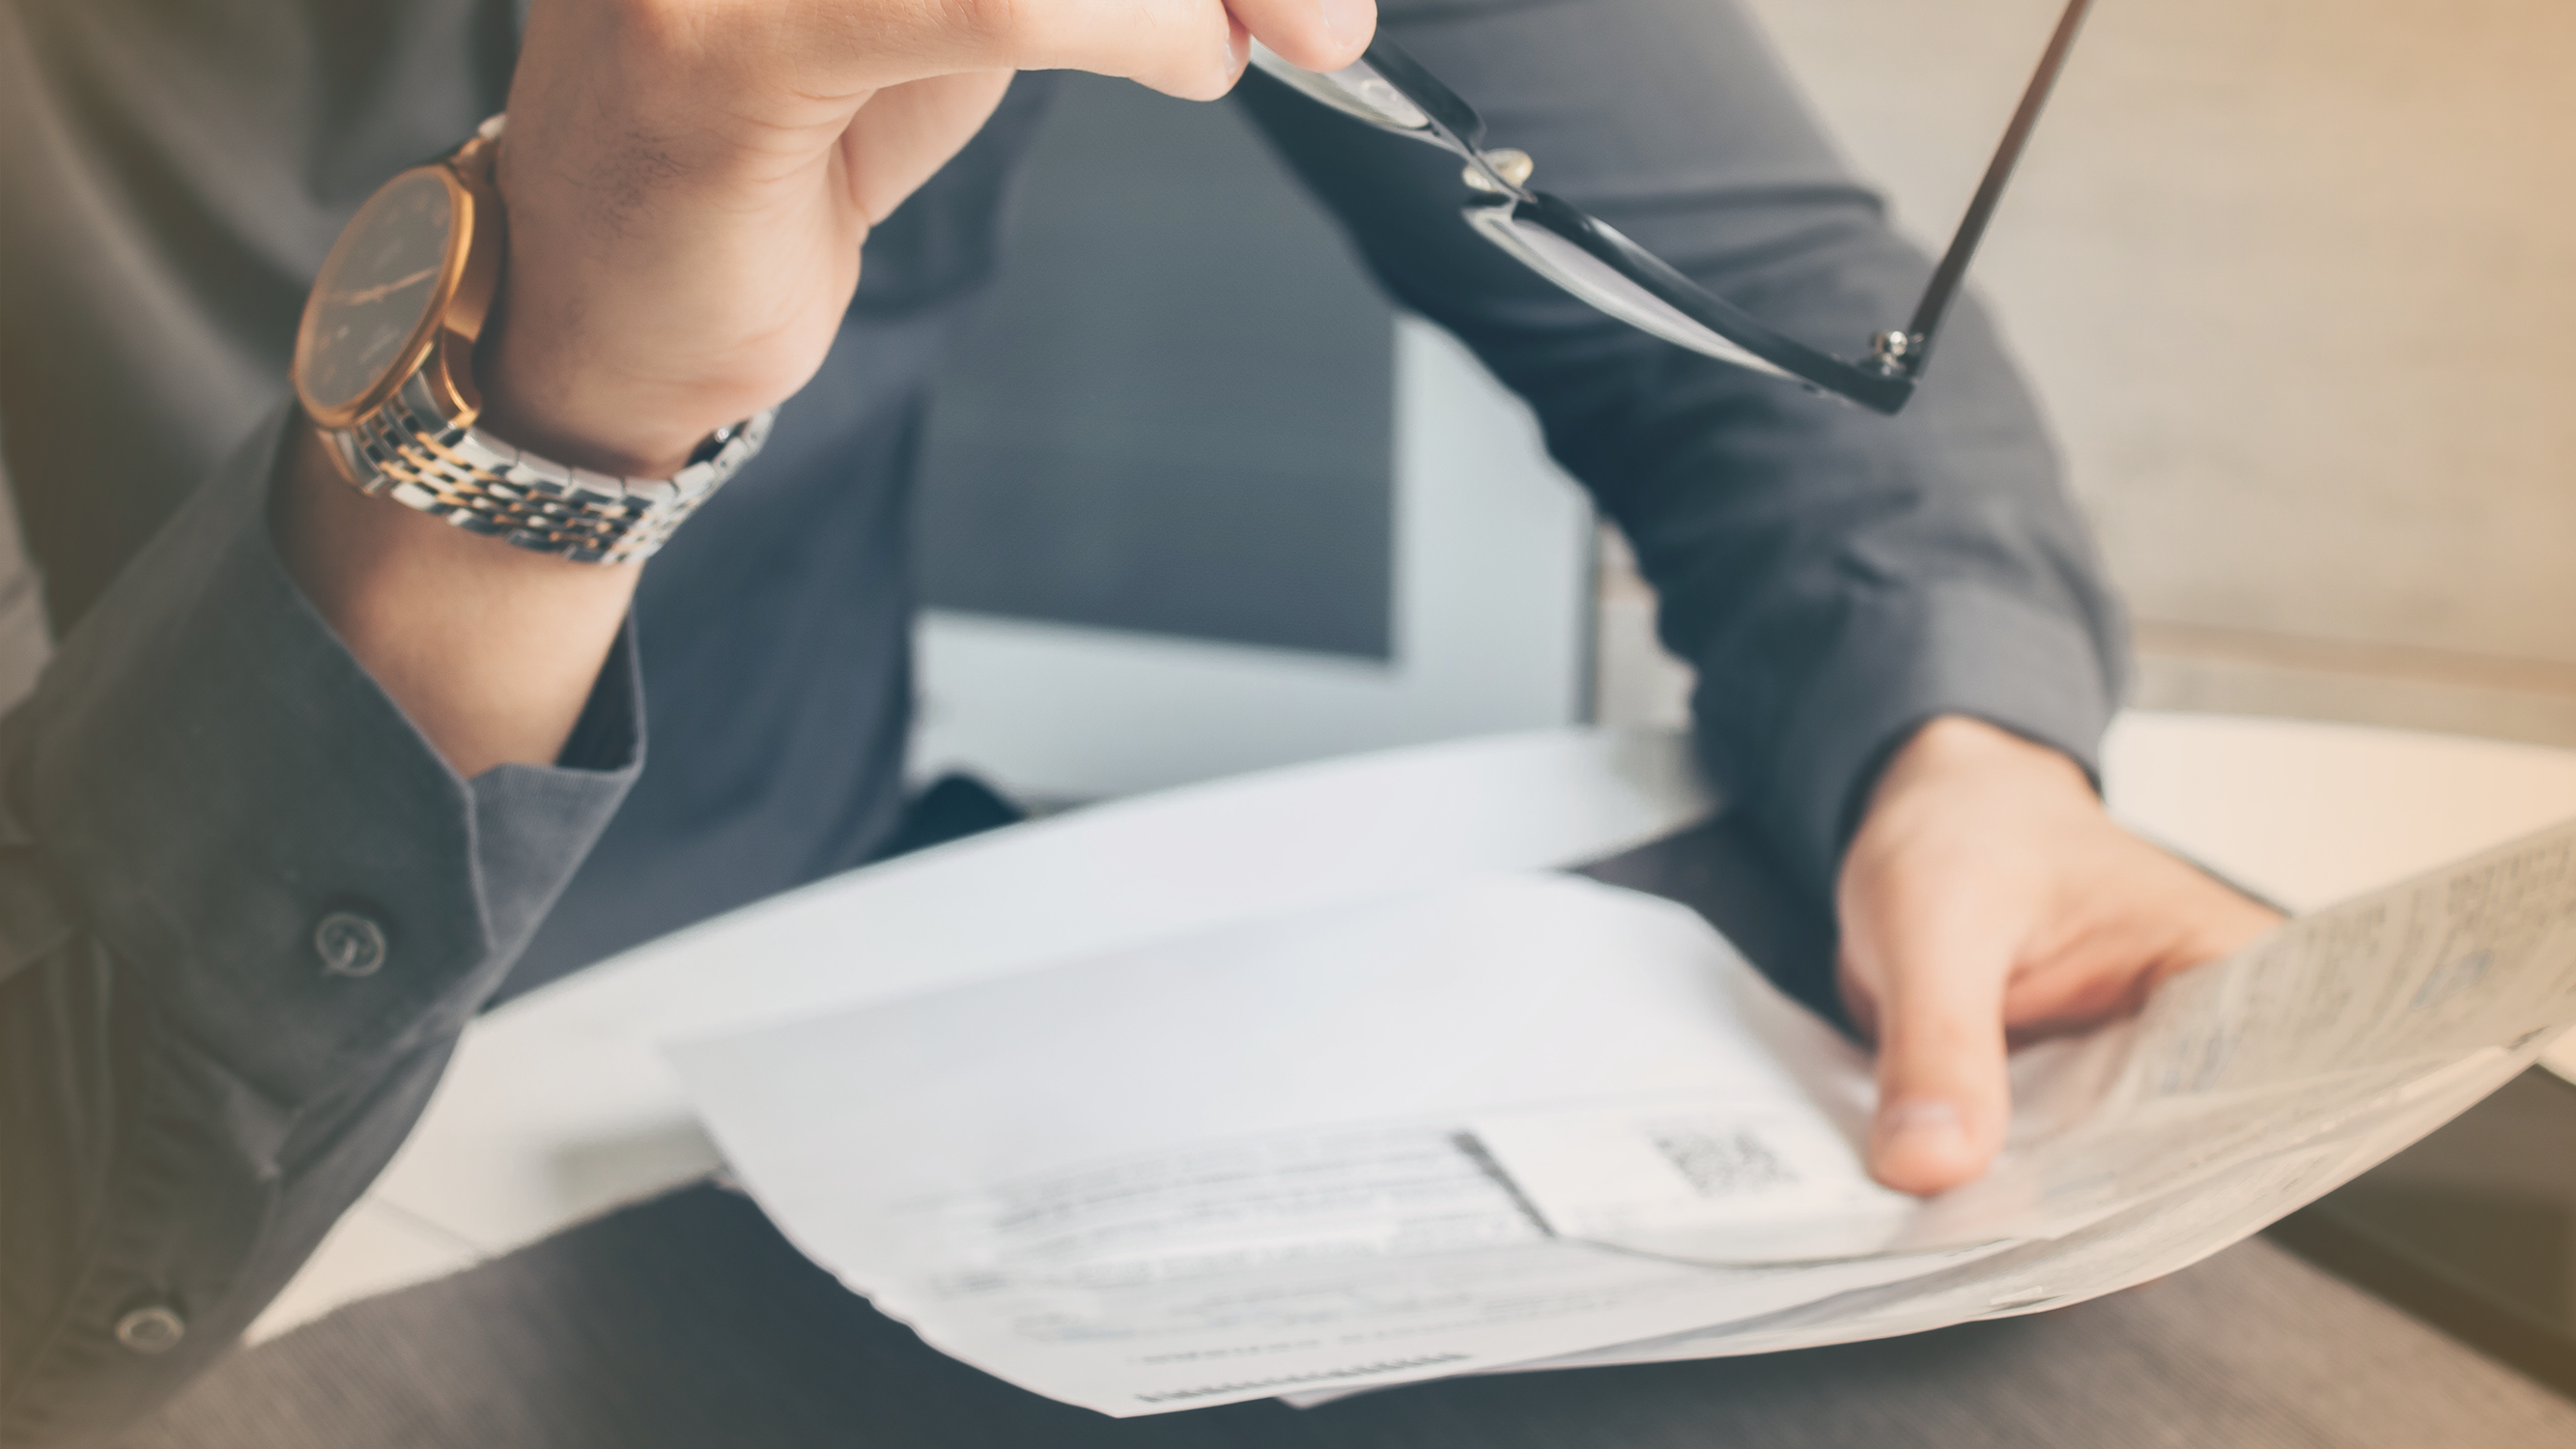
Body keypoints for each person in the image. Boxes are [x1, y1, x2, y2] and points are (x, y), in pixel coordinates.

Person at [0, 0, 2278, 1438]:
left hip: (790, 1057)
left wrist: (1955, 741)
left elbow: (1786, 339)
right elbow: (52, 1267)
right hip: (183, 1210)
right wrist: (559, 397)